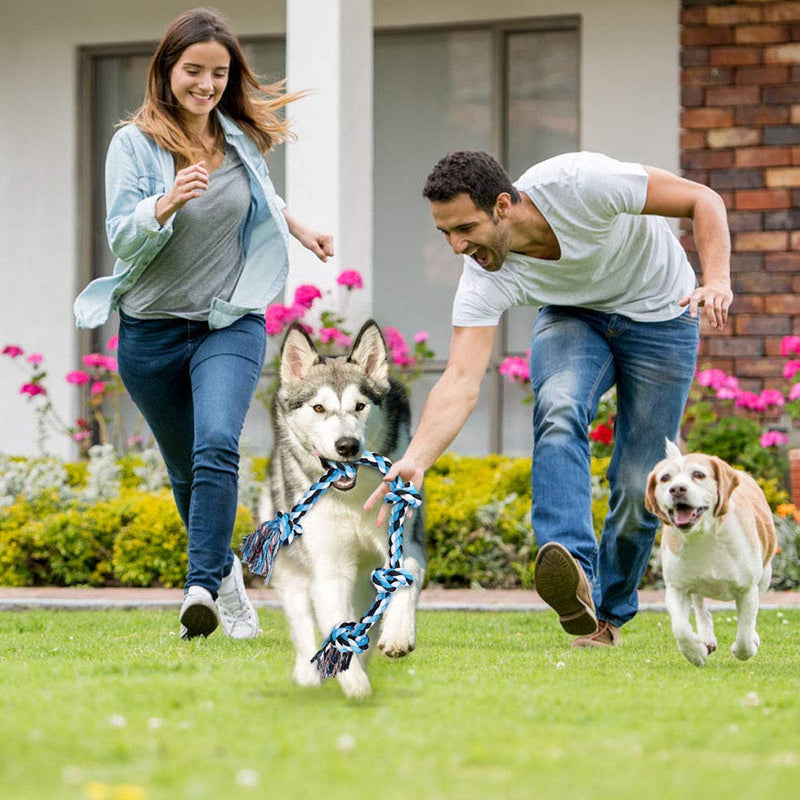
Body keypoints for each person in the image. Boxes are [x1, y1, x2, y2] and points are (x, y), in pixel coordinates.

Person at [366, 149, 732, 647]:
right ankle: (573, 572)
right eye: (445, 233)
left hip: (663, 315)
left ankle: (608, 615)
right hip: (573, 317)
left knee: (636, 477)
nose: (456, 246)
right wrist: (416, 457)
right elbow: (460, 378)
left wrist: (717, 280)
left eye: (465, 228)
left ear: (502, 205)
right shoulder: (483, 276)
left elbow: (702, 199)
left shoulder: (581, 184)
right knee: (559, 406)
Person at [74, 8, 333, 640]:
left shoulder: (235, 135)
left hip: (229, 322)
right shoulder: (133, 144)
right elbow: (120, 237)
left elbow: (261, 195)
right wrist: (163, 204)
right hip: (151, 333)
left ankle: (199, 589)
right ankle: (225, 576)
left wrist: (298, 227)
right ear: (166, 71)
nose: (207, 84)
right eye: (195, 70)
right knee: (188, 469)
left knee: (217, 442)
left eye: (219, 73)